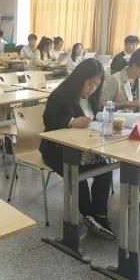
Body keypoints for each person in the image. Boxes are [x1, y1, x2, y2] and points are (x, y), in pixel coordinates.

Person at [40, 58, 115, 240]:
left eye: (96, 85)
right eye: (90, 84)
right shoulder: (61, 95)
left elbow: (94, 118)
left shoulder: (92, 97)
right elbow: (49, 120)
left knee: (105, 170)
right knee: (77, 174)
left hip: (83, 148)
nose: (92, 89)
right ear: (79, 79)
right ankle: (88, 215)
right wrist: (71, 122)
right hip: (56, 151)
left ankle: (99, 215)